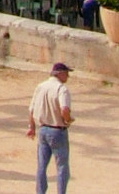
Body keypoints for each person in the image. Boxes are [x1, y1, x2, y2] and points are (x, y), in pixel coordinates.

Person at [27, 60, 73, 194]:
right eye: (66, 74)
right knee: (62, 167)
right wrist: (68, 120)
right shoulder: (62, 89)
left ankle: (40, 192)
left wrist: (32, 127)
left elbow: (31, 109)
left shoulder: (40, 86)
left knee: (41, 166)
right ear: (60, 74)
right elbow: (64, 109)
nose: (68, 77)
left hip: (43, 129)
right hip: (57, 130)